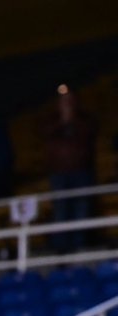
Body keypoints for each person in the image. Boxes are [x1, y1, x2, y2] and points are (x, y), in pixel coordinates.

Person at [40, 89, 98, 253]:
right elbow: (44, 133)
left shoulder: (84, 119)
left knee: (82, 208)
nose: (67, 104)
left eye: (70, 100)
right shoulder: (51, 120)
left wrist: (73, 119)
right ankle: (62, 248)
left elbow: (90, 132)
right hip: (58, 173)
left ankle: (80, 245)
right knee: (60, 209)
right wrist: (63, 121)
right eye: (64, 100)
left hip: (81, 171)